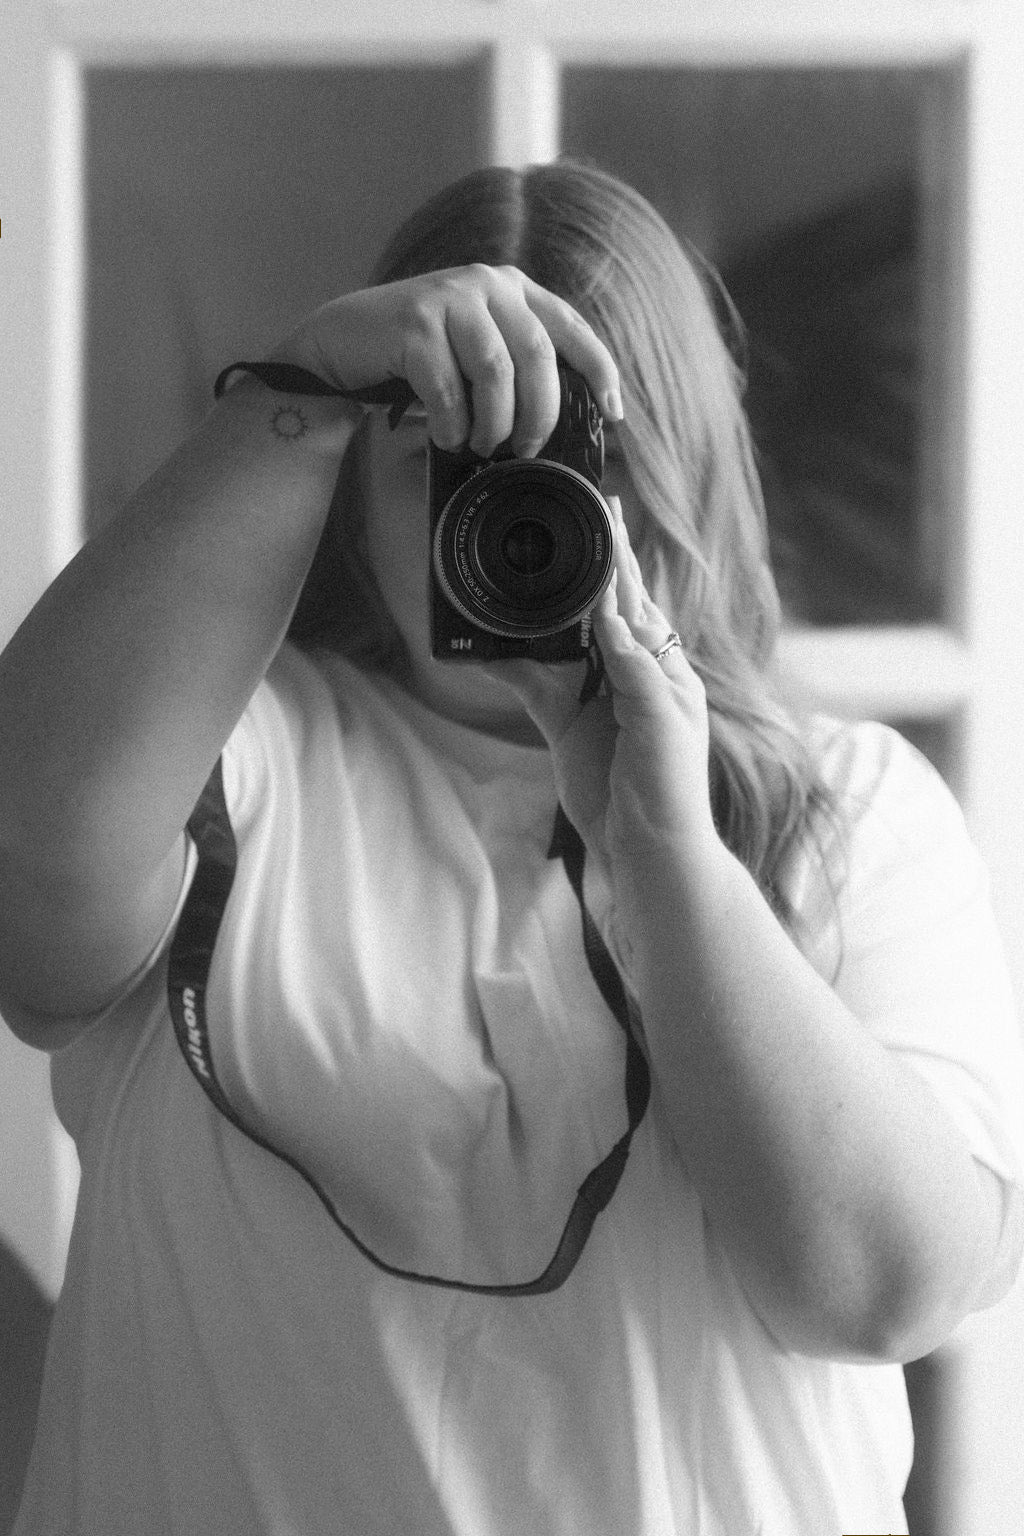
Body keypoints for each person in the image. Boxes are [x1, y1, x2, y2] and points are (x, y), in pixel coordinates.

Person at [1, 159, 1021, 1536]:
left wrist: (666, 847)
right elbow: (30, 906)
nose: (502, 513)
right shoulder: (224, 741)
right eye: (445, 457)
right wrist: (296, 391)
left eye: (574, 468)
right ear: (351, 485)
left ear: (677, 476)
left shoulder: (845, 806)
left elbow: (885, 1288)